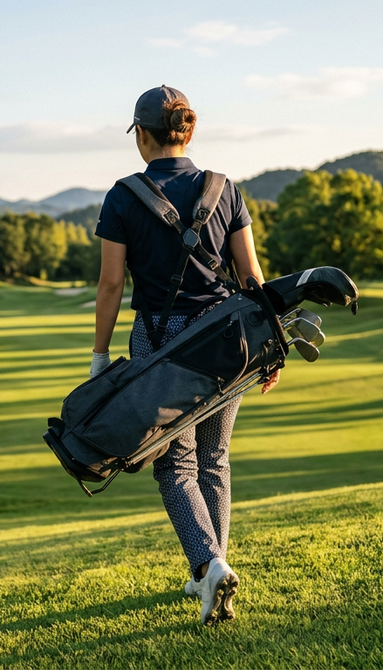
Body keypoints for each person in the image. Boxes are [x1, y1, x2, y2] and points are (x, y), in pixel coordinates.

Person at [90, 85, 279, 625]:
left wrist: (100, 357)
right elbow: (252, 279)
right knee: (215, 460)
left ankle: (208, 566)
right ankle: (213, 567)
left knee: (176, 467)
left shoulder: (123, 196)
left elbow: (109, 286)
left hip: (160, 340)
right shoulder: (225, 189)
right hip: (227, 338)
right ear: (187, 131)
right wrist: (272, 351)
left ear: (142, 135)